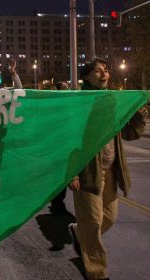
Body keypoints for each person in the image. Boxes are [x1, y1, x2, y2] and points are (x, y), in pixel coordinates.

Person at [68, 58, 148, 280]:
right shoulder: (79, 102)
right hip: (87, 172)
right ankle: (97, 272)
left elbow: (131, 133)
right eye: (97, 71)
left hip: (112, 170)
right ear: (86, 77)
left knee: (109, 218)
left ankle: (78, 232)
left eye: (106, 70)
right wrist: (72, 173)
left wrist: (139, 113)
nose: (103, 74)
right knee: (93, 223)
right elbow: (69, 139)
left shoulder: (114, 100)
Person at [49, 81, 70, 215]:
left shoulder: (70, 103)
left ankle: (58, 201)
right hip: (56, 146)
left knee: (64, 175)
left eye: (68, 88)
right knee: (58, 176)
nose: (67, 90)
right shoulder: (53, 104)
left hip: (66, 144)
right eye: (64, 88)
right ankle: (57, 202)